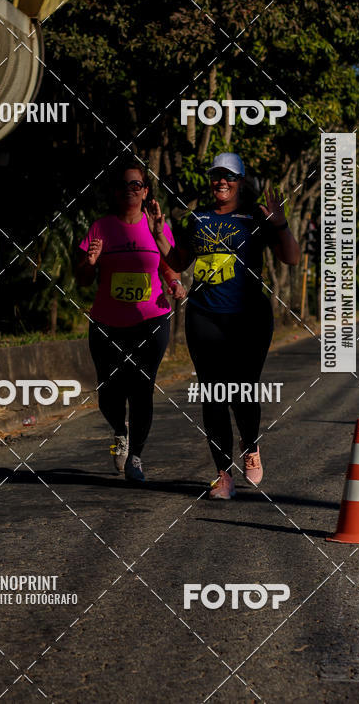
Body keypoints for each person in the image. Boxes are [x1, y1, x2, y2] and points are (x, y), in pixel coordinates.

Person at [149, 152, 300, 499]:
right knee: (213, 394)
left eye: (229, 176)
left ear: (240, 181)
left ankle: (251, 446)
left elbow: (291, 258)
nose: (222, 181)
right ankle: (223, 475)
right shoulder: (197, 218)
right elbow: (179, 261)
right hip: (204, 315)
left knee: (243, 390)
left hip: (249, 317)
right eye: (217, 175)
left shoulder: (255, 218)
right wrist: (159, 235)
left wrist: (280, 223)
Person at [76, 159, 186, 482]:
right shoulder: (101, 227)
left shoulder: (157, 227)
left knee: (142, 388)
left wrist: (174, 284)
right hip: (107, 322)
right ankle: (119, 430)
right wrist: (90, 262)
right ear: (115, 191)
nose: (130, 190)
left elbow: (169, 264)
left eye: (136, 184)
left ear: (145, 190)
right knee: (109, 393)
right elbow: (82, 279)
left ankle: (135, 456)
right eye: (124, 185)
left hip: (151, 320)